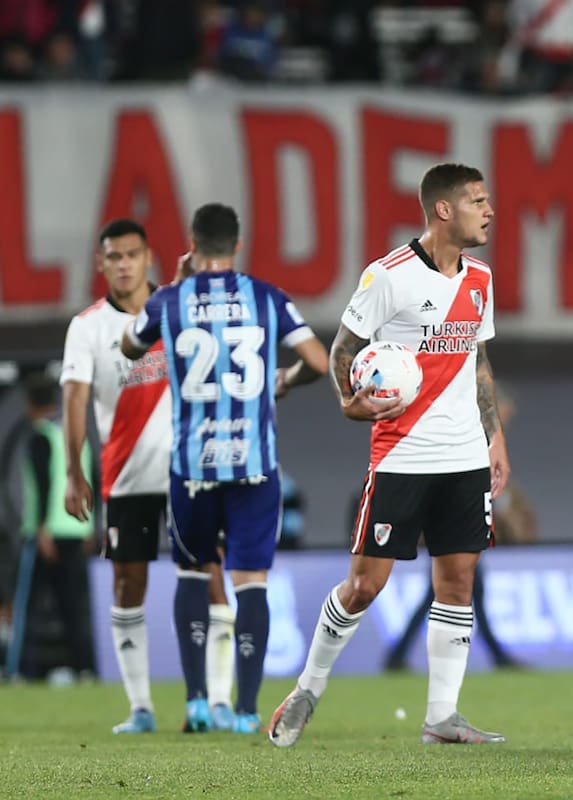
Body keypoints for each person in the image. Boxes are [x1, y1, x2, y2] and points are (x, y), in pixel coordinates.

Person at [269, 163, 511, 748]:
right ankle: (308, 687)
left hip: (463, 455)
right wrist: (347, 402)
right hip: (402, 454)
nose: (489, 210)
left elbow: (477, 363)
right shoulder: (389, 276)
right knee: (364, 585)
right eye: (478, 201)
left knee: (457, 580)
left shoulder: (479, 278)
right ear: (444, 210)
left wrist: (495, 434)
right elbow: (343, 349)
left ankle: (442, 716)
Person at [121, 203, 328, 733]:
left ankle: (194, 703)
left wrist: (175, 282)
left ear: (193, 241)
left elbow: (128, 344)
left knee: (192, 573)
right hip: (254, 466)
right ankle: (246, 710)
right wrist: (282, 380)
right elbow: (321, 362)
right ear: (238, 244)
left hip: (192, 465)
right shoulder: (267, 297)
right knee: (250, 580)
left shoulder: (170, 300)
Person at [60, 218, 238, 733]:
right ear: (102, 264)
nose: (123, 265)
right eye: (113, 257)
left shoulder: (180, 306)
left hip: (192, 469)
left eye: (131, 255)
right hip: (127, 476)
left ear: (148, 258)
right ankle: (140, 707)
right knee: (127, 582)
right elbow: (74, 399)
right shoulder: (87, 327)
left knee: (212, 573)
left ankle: (218, 700)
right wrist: (75, 472)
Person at [383, 383, 534, 672]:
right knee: (454, 590)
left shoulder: (470, 436)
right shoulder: (467, 436)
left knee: (456, 592)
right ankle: (496, 657)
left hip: (462, 526)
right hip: (455, 527)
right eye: (505, 414)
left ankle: (399, 656)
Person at [7, 375, 97, 683]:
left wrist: (43, 527)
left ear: (30, 404)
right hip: (76, 529)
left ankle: (19, 670)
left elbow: (44, 485)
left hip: (46, 533)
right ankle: (85, 669)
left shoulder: (39, 436)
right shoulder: (74, 438)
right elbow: (92, 480)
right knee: (74, 605)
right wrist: (89, 527)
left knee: (28, 604)